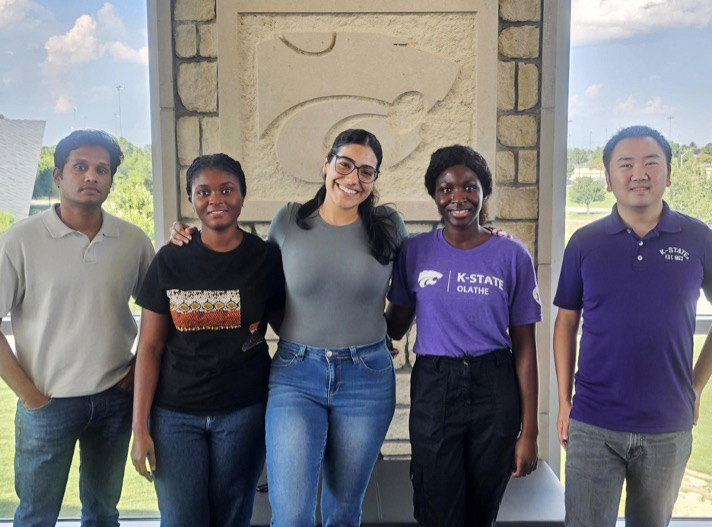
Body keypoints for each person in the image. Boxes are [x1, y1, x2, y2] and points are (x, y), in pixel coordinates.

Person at [169, 129, 407, 527]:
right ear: (326, 164)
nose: (353, 178)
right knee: (291, 514)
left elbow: (419, 277)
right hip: (297, 375)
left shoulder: (388, 224)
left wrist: (489, 230)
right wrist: (192, 237)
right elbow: (250, 271)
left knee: (344, 513)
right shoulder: (290, 220)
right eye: (345, 164)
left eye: (367, 171)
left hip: (367, 379)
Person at [553, 125, 712, 527]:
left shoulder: (698, 239)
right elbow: (566, 322)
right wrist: (564, 399)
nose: (638, 173)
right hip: (593, 422)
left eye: (650, 163)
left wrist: (695, 386)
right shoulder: (585, 242)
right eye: (625, 164)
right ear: (608, 179)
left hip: (668, 425)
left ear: (669, 174)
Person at [0, 130, 154, 526]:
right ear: (58, 175)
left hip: (114, 398)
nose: (91, 177)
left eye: (102, 170)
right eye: (80, 167)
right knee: (36, 515)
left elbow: (159, 315)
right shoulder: (19, 240)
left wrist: (136, 371)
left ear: (110, 179)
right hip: (47, 402)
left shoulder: (133, 241)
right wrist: (30, 396)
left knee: (103, 513)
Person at [386, 145, 541, 527]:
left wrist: (530, 430)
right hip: (436, 386)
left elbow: (525, 346)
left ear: (484, 192)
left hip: (494, 385)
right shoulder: (414, 251)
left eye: (469, 187)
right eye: (447, 189)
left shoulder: (512, 254)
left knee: (481, 511)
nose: (459, 198)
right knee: (437, 508)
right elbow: (395, 326)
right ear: (435, 195)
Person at [130, 154, 284, 527]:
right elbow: (148, 348)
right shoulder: (170, 259)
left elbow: (289, 324)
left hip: (244, 411)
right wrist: (139, 428)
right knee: (182, 520)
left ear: (242, 197)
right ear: (192, 200)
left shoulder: (264, 258)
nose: (216, 199)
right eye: (204, 192)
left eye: (227, 189)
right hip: (175, 416)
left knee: (232, 517)